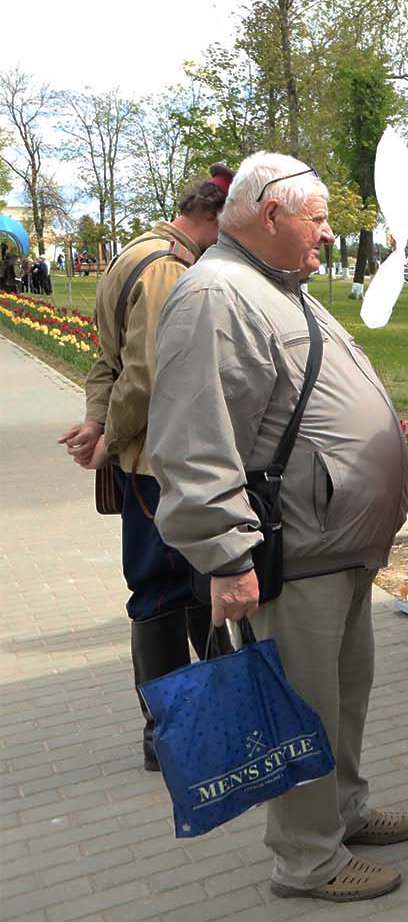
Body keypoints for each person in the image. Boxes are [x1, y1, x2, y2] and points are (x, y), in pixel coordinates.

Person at [146, 153, 408, 903]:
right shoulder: (217, 294)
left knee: (343, 695)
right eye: (318, 220)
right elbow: (195, 440)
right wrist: (227, 556)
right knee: (304, 705)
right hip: (294, 552)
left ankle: (343, 812)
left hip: (335, 546)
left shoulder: (274, 284)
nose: (329, 234)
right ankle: (307, 858)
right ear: (271, 214)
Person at [58, 165, 233, 771]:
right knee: (166, 595)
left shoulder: (136, 250)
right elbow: (145, 374)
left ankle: (188, 729)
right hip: (161, 466)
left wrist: (96, 420)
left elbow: (105, 361)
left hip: (149, 463)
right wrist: (108, 436)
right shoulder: (167, 269)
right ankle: (172, 737)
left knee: (177, 592)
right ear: (214, 219)